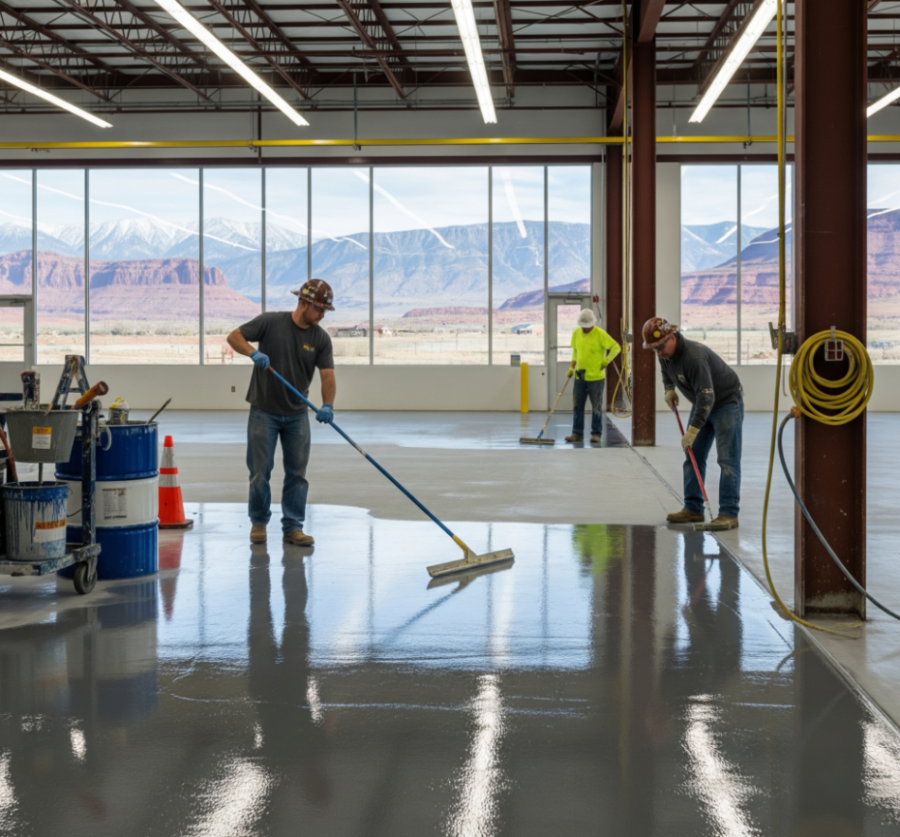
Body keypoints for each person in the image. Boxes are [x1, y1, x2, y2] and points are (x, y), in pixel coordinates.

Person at [227, 279, 337, 546]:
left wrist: (327, 405)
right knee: (259, 471)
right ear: (304, 302)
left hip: (298, 414)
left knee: (297, 474)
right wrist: (253, 353)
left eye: (325, 310)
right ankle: (258, 524)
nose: (322, 315)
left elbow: (327, 376)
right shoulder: (270, 322)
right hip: (263, 410)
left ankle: (293, 528)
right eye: (319, 309)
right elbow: (234, 337)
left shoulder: (320, 338)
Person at [642, 317, 743, 530]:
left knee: (727, 460)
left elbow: (707, 397)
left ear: (672, 337)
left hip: (726, 403)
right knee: (693, 455)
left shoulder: (693, 357)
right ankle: (693, 509)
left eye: (660, 347)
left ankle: (729, 513)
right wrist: (669, 388)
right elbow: (665, 369)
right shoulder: (664, 354)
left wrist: (693, 430)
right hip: (702, 403)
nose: (658, 352)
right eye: (654, 349)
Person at [565, 308, 621, 444]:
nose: (585, 329)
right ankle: (576, 433)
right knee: (577, 405)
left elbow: (616, 347)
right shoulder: (576, 333)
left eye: (587, 326)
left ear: (592, 323)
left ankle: (596, 433)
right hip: (580, 377)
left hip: (596, 378)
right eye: (583, 326)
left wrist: (606, 360)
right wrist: (571, 367)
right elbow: (575, 352)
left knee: (596, 406)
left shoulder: (600, 334)